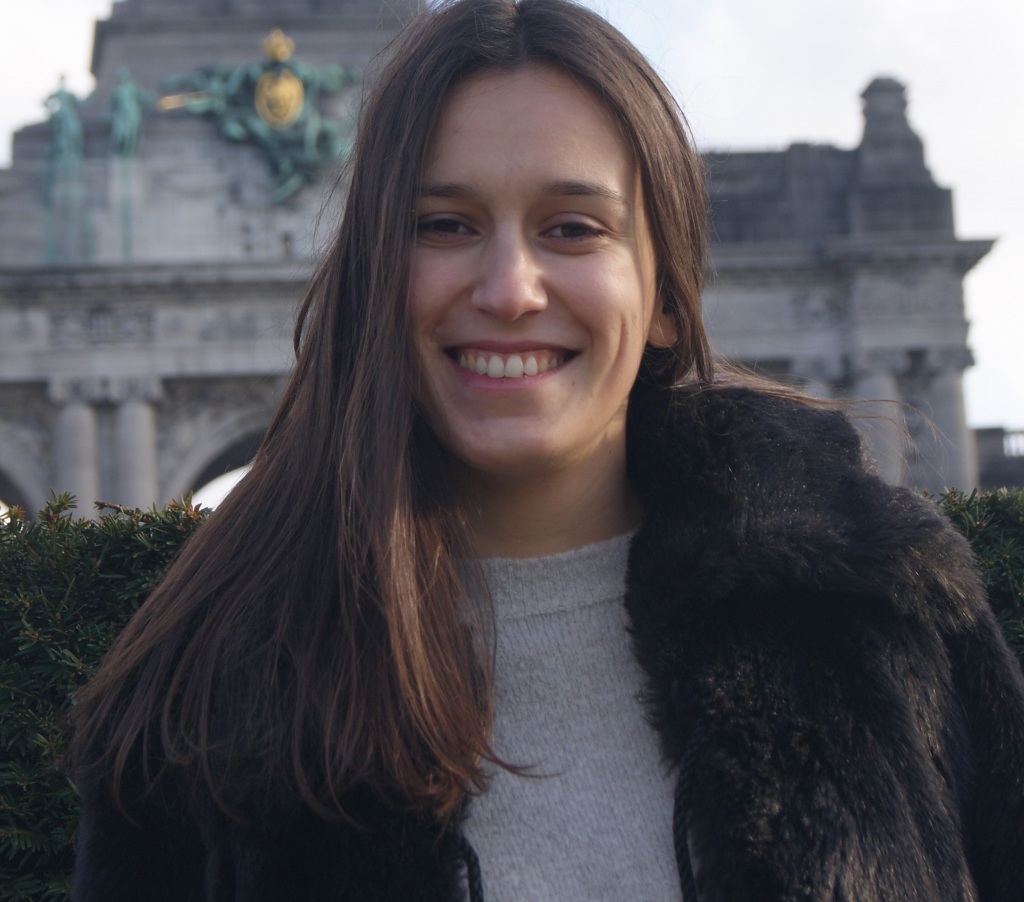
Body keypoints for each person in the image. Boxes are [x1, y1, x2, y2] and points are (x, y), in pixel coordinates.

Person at [67, 0, 1024, 899]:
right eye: (444, 225)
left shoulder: (885, 600)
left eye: (573, 227)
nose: (510, 288)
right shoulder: (197, 705)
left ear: (665, 295)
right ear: (371, 278)